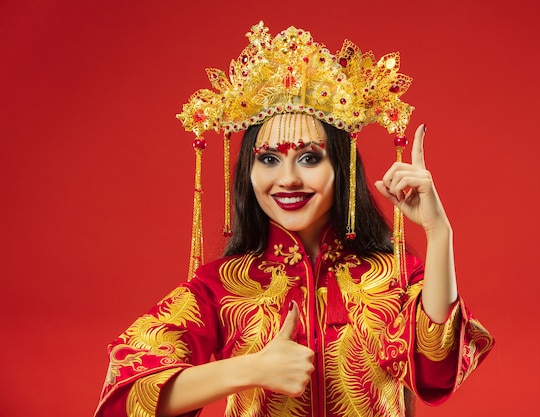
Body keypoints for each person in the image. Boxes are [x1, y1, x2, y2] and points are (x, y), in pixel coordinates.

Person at [94, 21, 493, 417]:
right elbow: (128, 395)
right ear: (248, 175)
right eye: (268, 159)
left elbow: (438, 366)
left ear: (341, 167)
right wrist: (249, 369)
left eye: (308, 158)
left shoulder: (392, 274)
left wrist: (439, 233)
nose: (287, 178)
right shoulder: (221, 287)